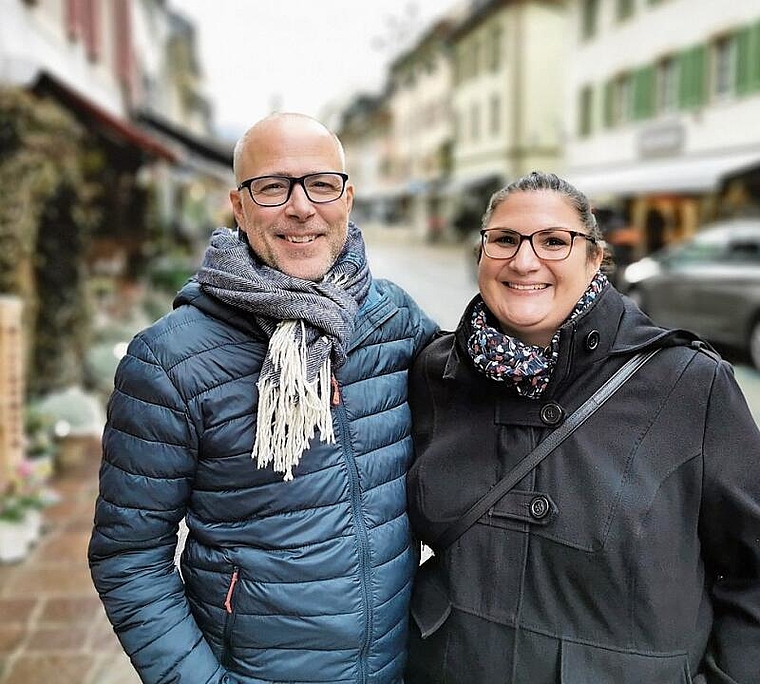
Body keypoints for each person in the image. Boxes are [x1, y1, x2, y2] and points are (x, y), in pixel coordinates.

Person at [88, 112, 437, 684]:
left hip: (396, 666)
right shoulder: (170, 361)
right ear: (239, 205)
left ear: (347, 198)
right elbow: (129, 557)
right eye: (272, 187)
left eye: (320, 184)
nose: (301, 208)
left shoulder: (394, 319)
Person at [404, 171, 760, 683]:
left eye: (554, 241)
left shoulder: (688, 383)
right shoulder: (437, 372)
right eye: (503, 240)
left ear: (594, 258)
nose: (524, 261)